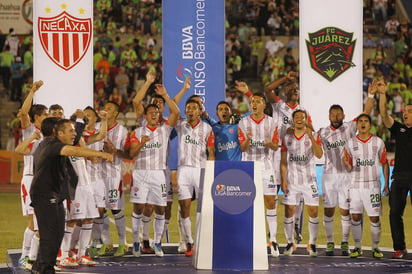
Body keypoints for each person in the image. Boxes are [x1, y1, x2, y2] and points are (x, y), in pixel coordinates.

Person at [29, 117, 113, 274]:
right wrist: (102, 154)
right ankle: (45, 269)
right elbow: (75, 151)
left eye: (75, 130)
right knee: (50, 234)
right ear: (59, 133)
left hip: (53, 194)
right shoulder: (54, 145)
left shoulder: (52, 144)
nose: (75, 133)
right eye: (71, 131)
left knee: (58, 231)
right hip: (45, 195)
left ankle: (41, 266)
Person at [317, 82, 376, 256]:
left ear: (344, 115)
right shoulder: (321, 132)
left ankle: (344, 243)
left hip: (347, 176)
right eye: (333, 114)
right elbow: (304, 137)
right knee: (328, 210)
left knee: (345, 211)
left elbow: (366, 113)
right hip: (328, 176)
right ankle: (329, 243)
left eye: (338, 113)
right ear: (329, 116)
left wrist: (371, 96)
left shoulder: (350, 127)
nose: (336, 116)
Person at [129, 84, 179, 257]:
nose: (153, 114)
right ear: (145, 115)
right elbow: (131, 153)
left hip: (159, 174)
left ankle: (157, 243)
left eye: (156, 113)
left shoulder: (164, 130)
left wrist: (165, 94)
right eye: (150, 112)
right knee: (138, 207)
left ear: (159, 116)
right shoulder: (137, 131)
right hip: (141, 172)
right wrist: (142, 143)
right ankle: (136, 242)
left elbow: (176, 113)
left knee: (161, 209)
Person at [237, 93, 279, 257]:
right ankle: (246, 240)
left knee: (270, 202)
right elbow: (242, 148)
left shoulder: (272, 122)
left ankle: (273, 240)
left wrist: (270, 144)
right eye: (252, 101)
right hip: (248, 166)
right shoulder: (243, 122)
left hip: (266, 166)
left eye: (257, 101)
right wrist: (247, 140)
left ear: (264, 104)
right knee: (247, 203)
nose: (254, 104)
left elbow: (275, 146)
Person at [342, 113, 389, 259]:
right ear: (357, 125)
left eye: (366, 121)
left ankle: (375, 247)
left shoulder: (378, 142)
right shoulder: (350, 143)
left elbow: (384, 163)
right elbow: (348, 167)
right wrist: (345, 164)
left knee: (374, 218)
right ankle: (357, 247)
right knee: (355, 216)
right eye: (360, 121)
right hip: (355, 185)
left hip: (373, 186)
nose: (363, 124)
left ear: (370, 125)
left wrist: (386, 184)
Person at [280, 109, 323, 257]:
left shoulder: (314, 135)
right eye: (296, 117)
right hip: (292, 181)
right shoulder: (287, 138)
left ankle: (311, 244)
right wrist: (283, 179)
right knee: (289, 211)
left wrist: (311, 137)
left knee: (313, 212)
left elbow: (319, 155)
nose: (299, 119)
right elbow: (283, 161)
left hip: (309, 181)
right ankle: (290, 242)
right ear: (293, 120)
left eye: (302, 117)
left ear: (306, 120)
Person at [176, 98, 215, 256]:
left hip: (200, 170)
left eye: (194, 108)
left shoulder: (207, 128)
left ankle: (203, 239)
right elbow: (172, 110)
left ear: (200, 111)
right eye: (188, 107)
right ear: (185, 111)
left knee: (204, 206)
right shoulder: (180, 125)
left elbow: (211, 152)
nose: (191, 110)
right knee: (184, 207)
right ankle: (189, 242)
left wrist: (210, 171)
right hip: (183, 171)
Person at [378, 79, 412, 259]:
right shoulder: (399, 128)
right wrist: (382, 93)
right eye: (405, 111)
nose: (405, 114)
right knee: (394, 213)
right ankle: (400, 248)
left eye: (409, 111)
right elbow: (384, 116)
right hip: (398, 177)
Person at [16, 81, 48, 270]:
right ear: (37, 117)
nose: (47, 117)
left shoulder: (46, 133)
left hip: (42, 180)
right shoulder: (30, 130)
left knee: (36, 220)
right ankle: (27, 257)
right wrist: (33, 91)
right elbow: (22, 112)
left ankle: (27, 256)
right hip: (30, 178)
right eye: (44, 114)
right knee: (36, 221)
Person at [97, 101, 130, 257]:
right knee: (100, 210)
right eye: (104, 108)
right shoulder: (97, 127)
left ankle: (123, 244)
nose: (105, 110)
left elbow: (127, 154)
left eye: (109, 109)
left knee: (115, 210)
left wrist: (114, 150)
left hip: (114, 175)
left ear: (115, 113)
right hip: (97, 175)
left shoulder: (122, 131)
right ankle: (107, 243)